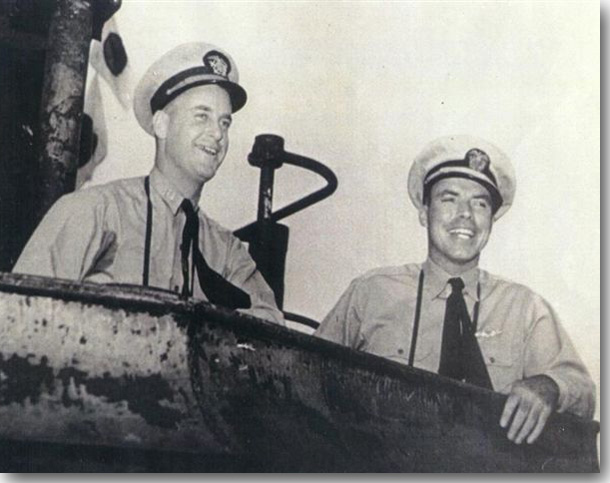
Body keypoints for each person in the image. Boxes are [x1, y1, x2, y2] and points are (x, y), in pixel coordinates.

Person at [315, 135, 594, 444]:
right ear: (424, 213)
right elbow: (305, 373)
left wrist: (549, 386)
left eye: (480, 203)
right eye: (449, 199)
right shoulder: (371, 293)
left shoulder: (524, 308)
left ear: (491, 221)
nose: (465, 214)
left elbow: (581, 390)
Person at [13, 42, 284, 325]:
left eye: (224, 122)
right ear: (161, 125)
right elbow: (18, 317)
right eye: (202, 116)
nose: (217, 133)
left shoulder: (226, 251)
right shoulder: (95, 212)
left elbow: (271, 328)